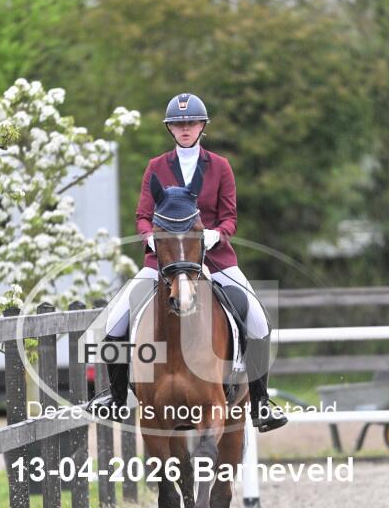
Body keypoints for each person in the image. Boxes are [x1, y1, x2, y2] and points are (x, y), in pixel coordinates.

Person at [87, 92, 287, 431]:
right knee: (114, 323)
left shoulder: (220, 166)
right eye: (178, 123)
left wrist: (216, 235)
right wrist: (149, 237)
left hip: (215, 260)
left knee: (258, 320)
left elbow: (230, 217)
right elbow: (142, 215)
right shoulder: (156, 167)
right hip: (163, 261)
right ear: (170, 128)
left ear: (202, 126)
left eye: (191, 122)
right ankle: (116, 399)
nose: (185, 128)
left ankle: (260, 402)